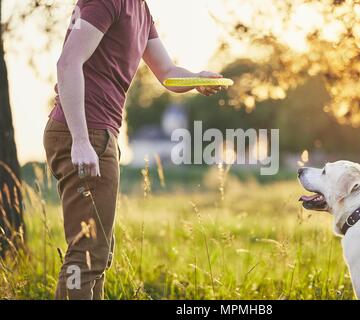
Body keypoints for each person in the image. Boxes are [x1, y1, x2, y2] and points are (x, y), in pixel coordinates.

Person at [43, 0, 225, 300]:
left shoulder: (139, 9)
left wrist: (196, 79)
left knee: (99, 252)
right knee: (88, 252)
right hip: (87, 131)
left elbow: (166, 72)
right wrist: (80, 140)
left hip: (100, 134)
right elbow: (67, 62)